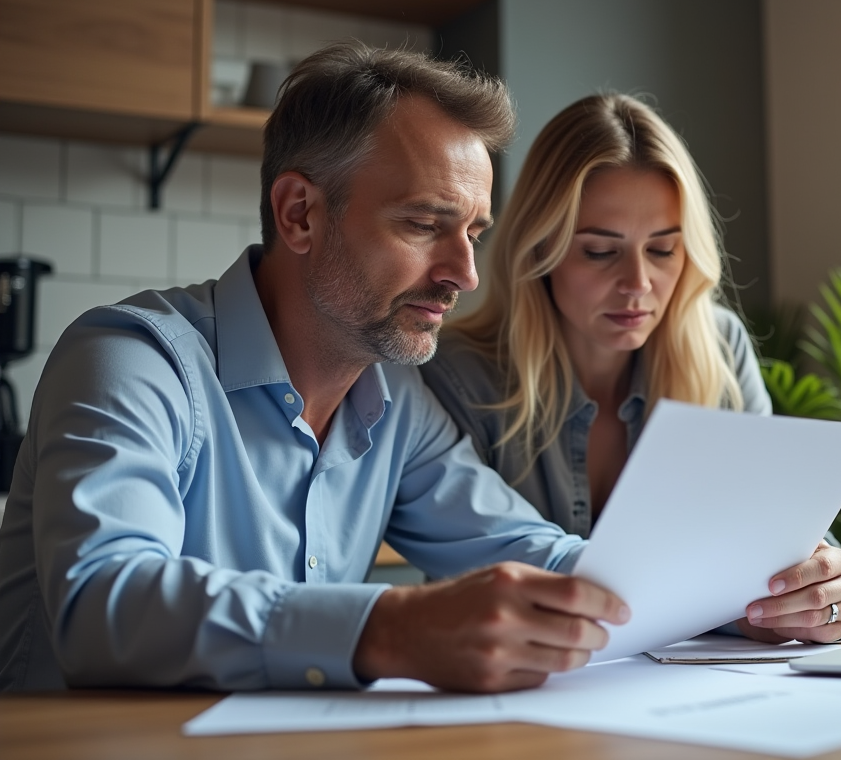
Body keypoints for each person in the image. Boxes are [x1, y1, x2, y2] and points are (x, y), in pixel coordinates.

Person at [0, 43, 629, 694]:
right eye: (423, 224)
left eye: (473, 233)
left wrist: (687, 596)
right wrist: (389, 628)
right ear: (299, 213)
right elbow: (103, 601)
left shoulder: (396, 403)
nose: (465, 275)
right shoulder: (133, 361)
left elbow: (529, 549)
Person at [420, 93, 841, 644]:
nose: (637, 284)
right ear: (539, 250)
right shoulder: (457, 373)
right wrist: (721, 599)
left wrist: (821, 597)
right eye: (600, 251)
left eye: (662, 250)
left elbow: (775, 544)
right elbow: (480, 570)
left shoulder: (719, 349)